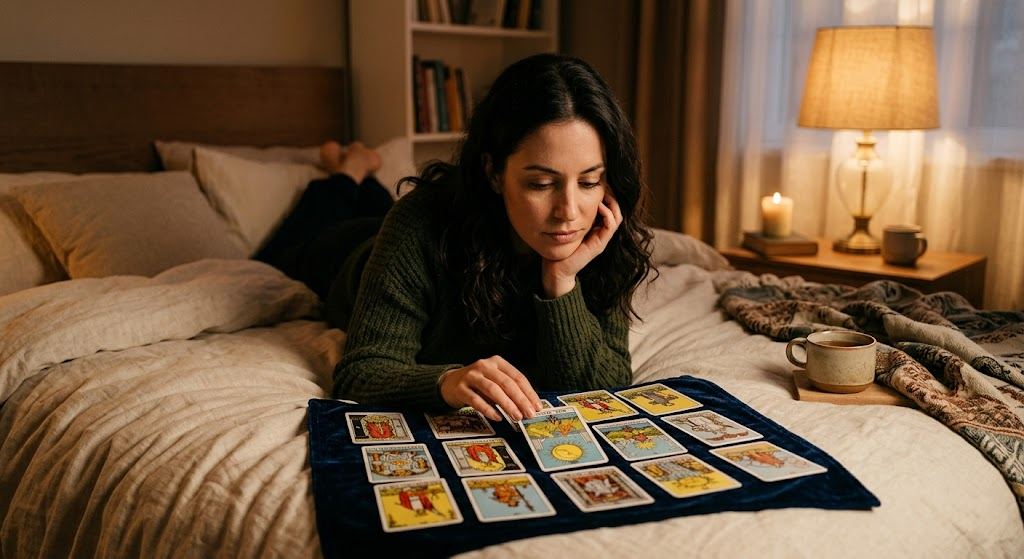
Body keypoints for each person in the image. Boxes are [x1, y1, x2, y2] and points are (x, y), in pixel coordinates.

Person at [267, 54, 654, 424]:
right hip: (349, 255)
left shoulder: (603, 234)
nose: (569, 211)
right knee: (285, 249)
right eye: (541, 183)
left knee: (374, 206)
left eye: (589, 181)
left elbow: (609, 385)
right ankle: (347, 173)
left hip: (397, 229)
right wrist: (445, 382)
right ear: (493, 173)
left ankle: (359, 173)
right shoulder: (420, 225)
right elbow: (362, 372)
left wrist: (562, 281)